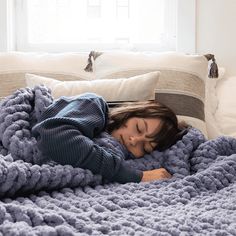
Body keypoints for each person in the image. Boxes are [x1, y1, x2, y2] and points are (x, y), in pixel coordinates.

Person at [32, 93, 188, 184]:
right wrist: (136, 176)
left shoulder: (120, 153)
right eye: (139, 127)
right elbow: (52, 136)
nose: (134, 141)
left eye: (145, 147)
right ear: (130, 113)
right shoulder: (93, 104)